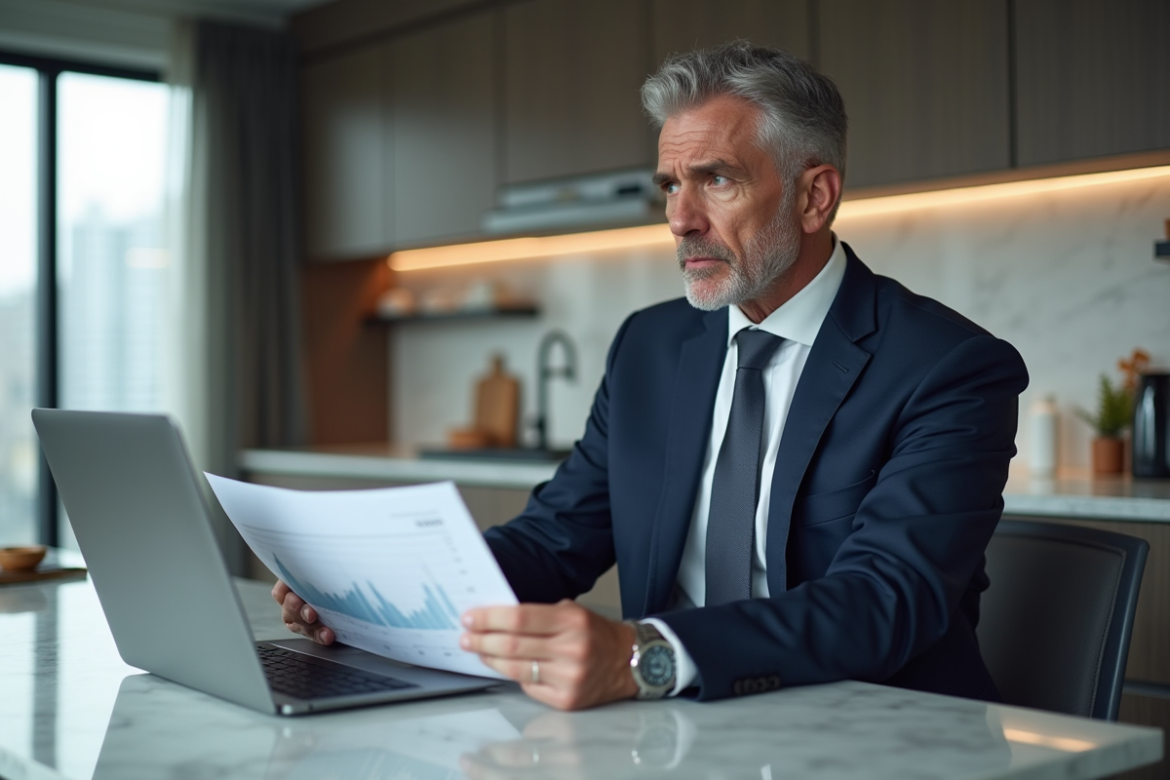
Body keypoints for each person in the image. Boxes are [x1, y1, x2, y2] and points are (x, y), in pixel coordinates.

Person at [275, 42, 1028, 712]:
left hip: (874, 734)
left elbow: (883, 601)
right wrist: (383, 594)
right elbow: (556, 538)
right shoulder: (650, 345)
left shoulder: (947, 367)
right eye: (670, 184)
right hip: (672, 729)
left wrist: (643, 655)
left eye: (717, 180)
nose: (680, 218)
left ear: (813, 195)